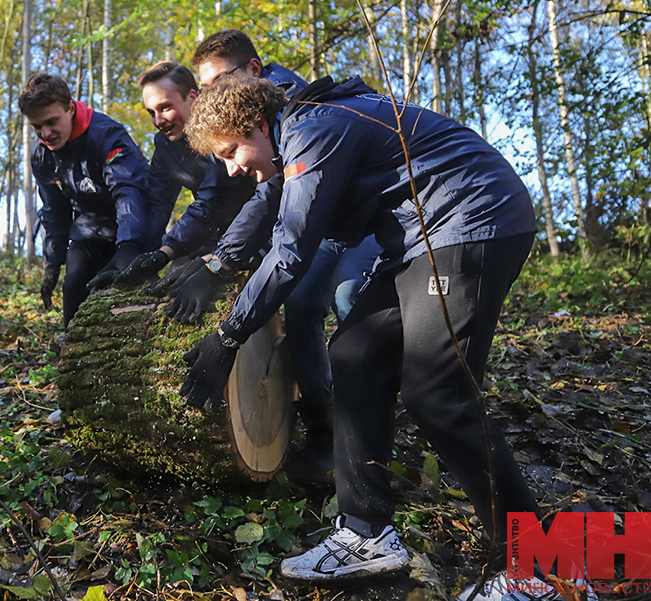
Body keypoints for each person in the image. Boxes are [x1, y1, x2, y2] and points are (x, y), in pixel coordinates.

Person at [181, 73, 546, 599]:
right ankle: (366, 531)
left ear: (259, 124)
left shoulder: (315, 129)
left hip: (473, 220)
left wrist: (228, 337)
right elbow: (272, 215)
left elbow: (291, 250)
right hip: (415, 240)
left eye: (233, 149)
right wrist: (213, 263)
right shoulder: (294, 135)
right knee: (352, 354)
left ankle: (537, 569)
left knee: (438, 395)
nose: (233, 165)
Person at [180, 29, 381, 482]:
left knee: (353, 301)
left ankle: (369, 433)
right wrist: (217, 260)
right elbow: (268, 197)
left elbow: (284, 228)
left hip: (365, 224)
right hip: (326, 224)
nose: (211, 93)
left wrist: (228, 333)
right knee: (302, 304)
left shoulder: (292, 112)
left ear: (252, 72)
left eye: (218, 81)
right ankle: (322, 425)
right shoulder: (266, 126)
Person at [18, 73, 154, 327]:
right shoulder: (41, 156)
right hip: (89, 227)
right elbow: (54, 210)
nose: (45, 134)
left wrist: (129, 246)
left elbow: (129, 192)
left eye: (51, 122)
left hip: (134, 225)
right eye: (37, 127)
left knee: (127, 296)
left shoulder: (107, 136)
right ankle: (71, 349)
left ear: (70, 109)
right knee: (74, 287)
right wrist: (52, 263)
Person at [113, 62, 256, 291]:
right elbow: (157, 202)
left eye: (165, 107)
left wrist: (164, 252)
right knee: (175, 278)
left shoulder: (222, 128)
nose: (158, 121)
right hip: (211, 234)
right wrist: (134, 254)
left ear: (193, 97)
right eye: (152, 112)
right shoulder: (164, 145)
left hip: (257, 230)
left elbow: (213, 199)